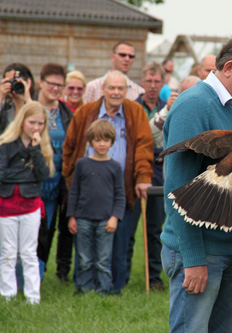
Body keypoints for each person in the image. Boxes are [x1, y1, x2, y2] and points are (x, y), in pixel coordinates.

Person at [161, 33, 232, 332]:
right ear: (230, 66)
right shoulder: (193, 105)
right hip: (198, 252)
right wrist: (192, 258)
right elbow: (176, 191)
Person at [62, 70, 153, 294]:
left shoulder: (136, 112)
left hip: (123, 191)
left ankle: (114, 287)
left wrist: (143, 177)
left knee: (120, 242)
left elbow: (144, 147)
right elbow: (70, 149)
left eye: (120, 88)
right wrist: (70, 177)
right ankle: (84, 285)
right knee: (85, 243)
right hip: (89, 193)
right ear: (103, 90)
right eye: (111, 88)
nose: (116, 92)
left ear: (126, 91)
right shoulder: (86, 113)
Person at [0, 101, 54, 304]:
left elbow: (42, 174)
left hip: (31, 205)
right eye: (32, 122)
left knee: (29, 252)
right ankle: (7, 295)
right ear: (22, 120)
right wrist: (25, 174)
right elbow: (2, 174)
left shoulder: (42, 147)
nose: (36, 128)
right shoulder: (5, 145)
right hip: (6, 204)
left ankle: (33, 297)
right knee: (7, 252)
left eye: (41, 124)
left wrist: (34, 150)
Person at [67, 119, 126, 295]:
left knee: (103, 259)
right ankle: (83, 288)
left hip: (106, 220)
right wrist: (72, 217)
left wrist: (115, 217)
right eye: (98, 140)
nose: (102, 144)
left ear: (112, 142)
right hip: (83, 218)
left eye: (106, 140)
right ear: (90, 141)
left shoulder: (115, 167)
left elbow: (120, 196)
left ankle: (104, 289)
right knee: (84, 258)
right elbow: (74, 192)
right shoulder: (82, 164)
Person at [36, 63, 74, 282]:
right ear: (41, 82)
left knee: (46, 232)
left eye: (60, 85)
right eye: (51, 83)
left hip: (55, 184)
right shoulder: (28, 107)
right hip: (30, 182)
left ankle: (37, 278)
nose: (56, 88)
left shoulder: (64, 112)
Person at [133, 62, 167, 290]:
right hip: (135, 170)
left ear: (163, 83)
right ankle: (120, 273)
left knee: (155, 227)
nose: (153, 86)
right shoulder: (133, 107)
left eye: (157, 82)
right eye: (149, 81)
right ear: (142, 82)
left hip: (160, 174)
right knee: (126, 226)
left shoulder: (169, 107)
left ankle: (154, 276)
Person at [0, 63, 34, 134]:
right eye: (10, 82)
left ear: (28, 82)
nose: (14, 85)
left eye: (17, 81)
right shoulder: (4, 107)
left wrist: (27, 98)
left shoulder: (38, 107)